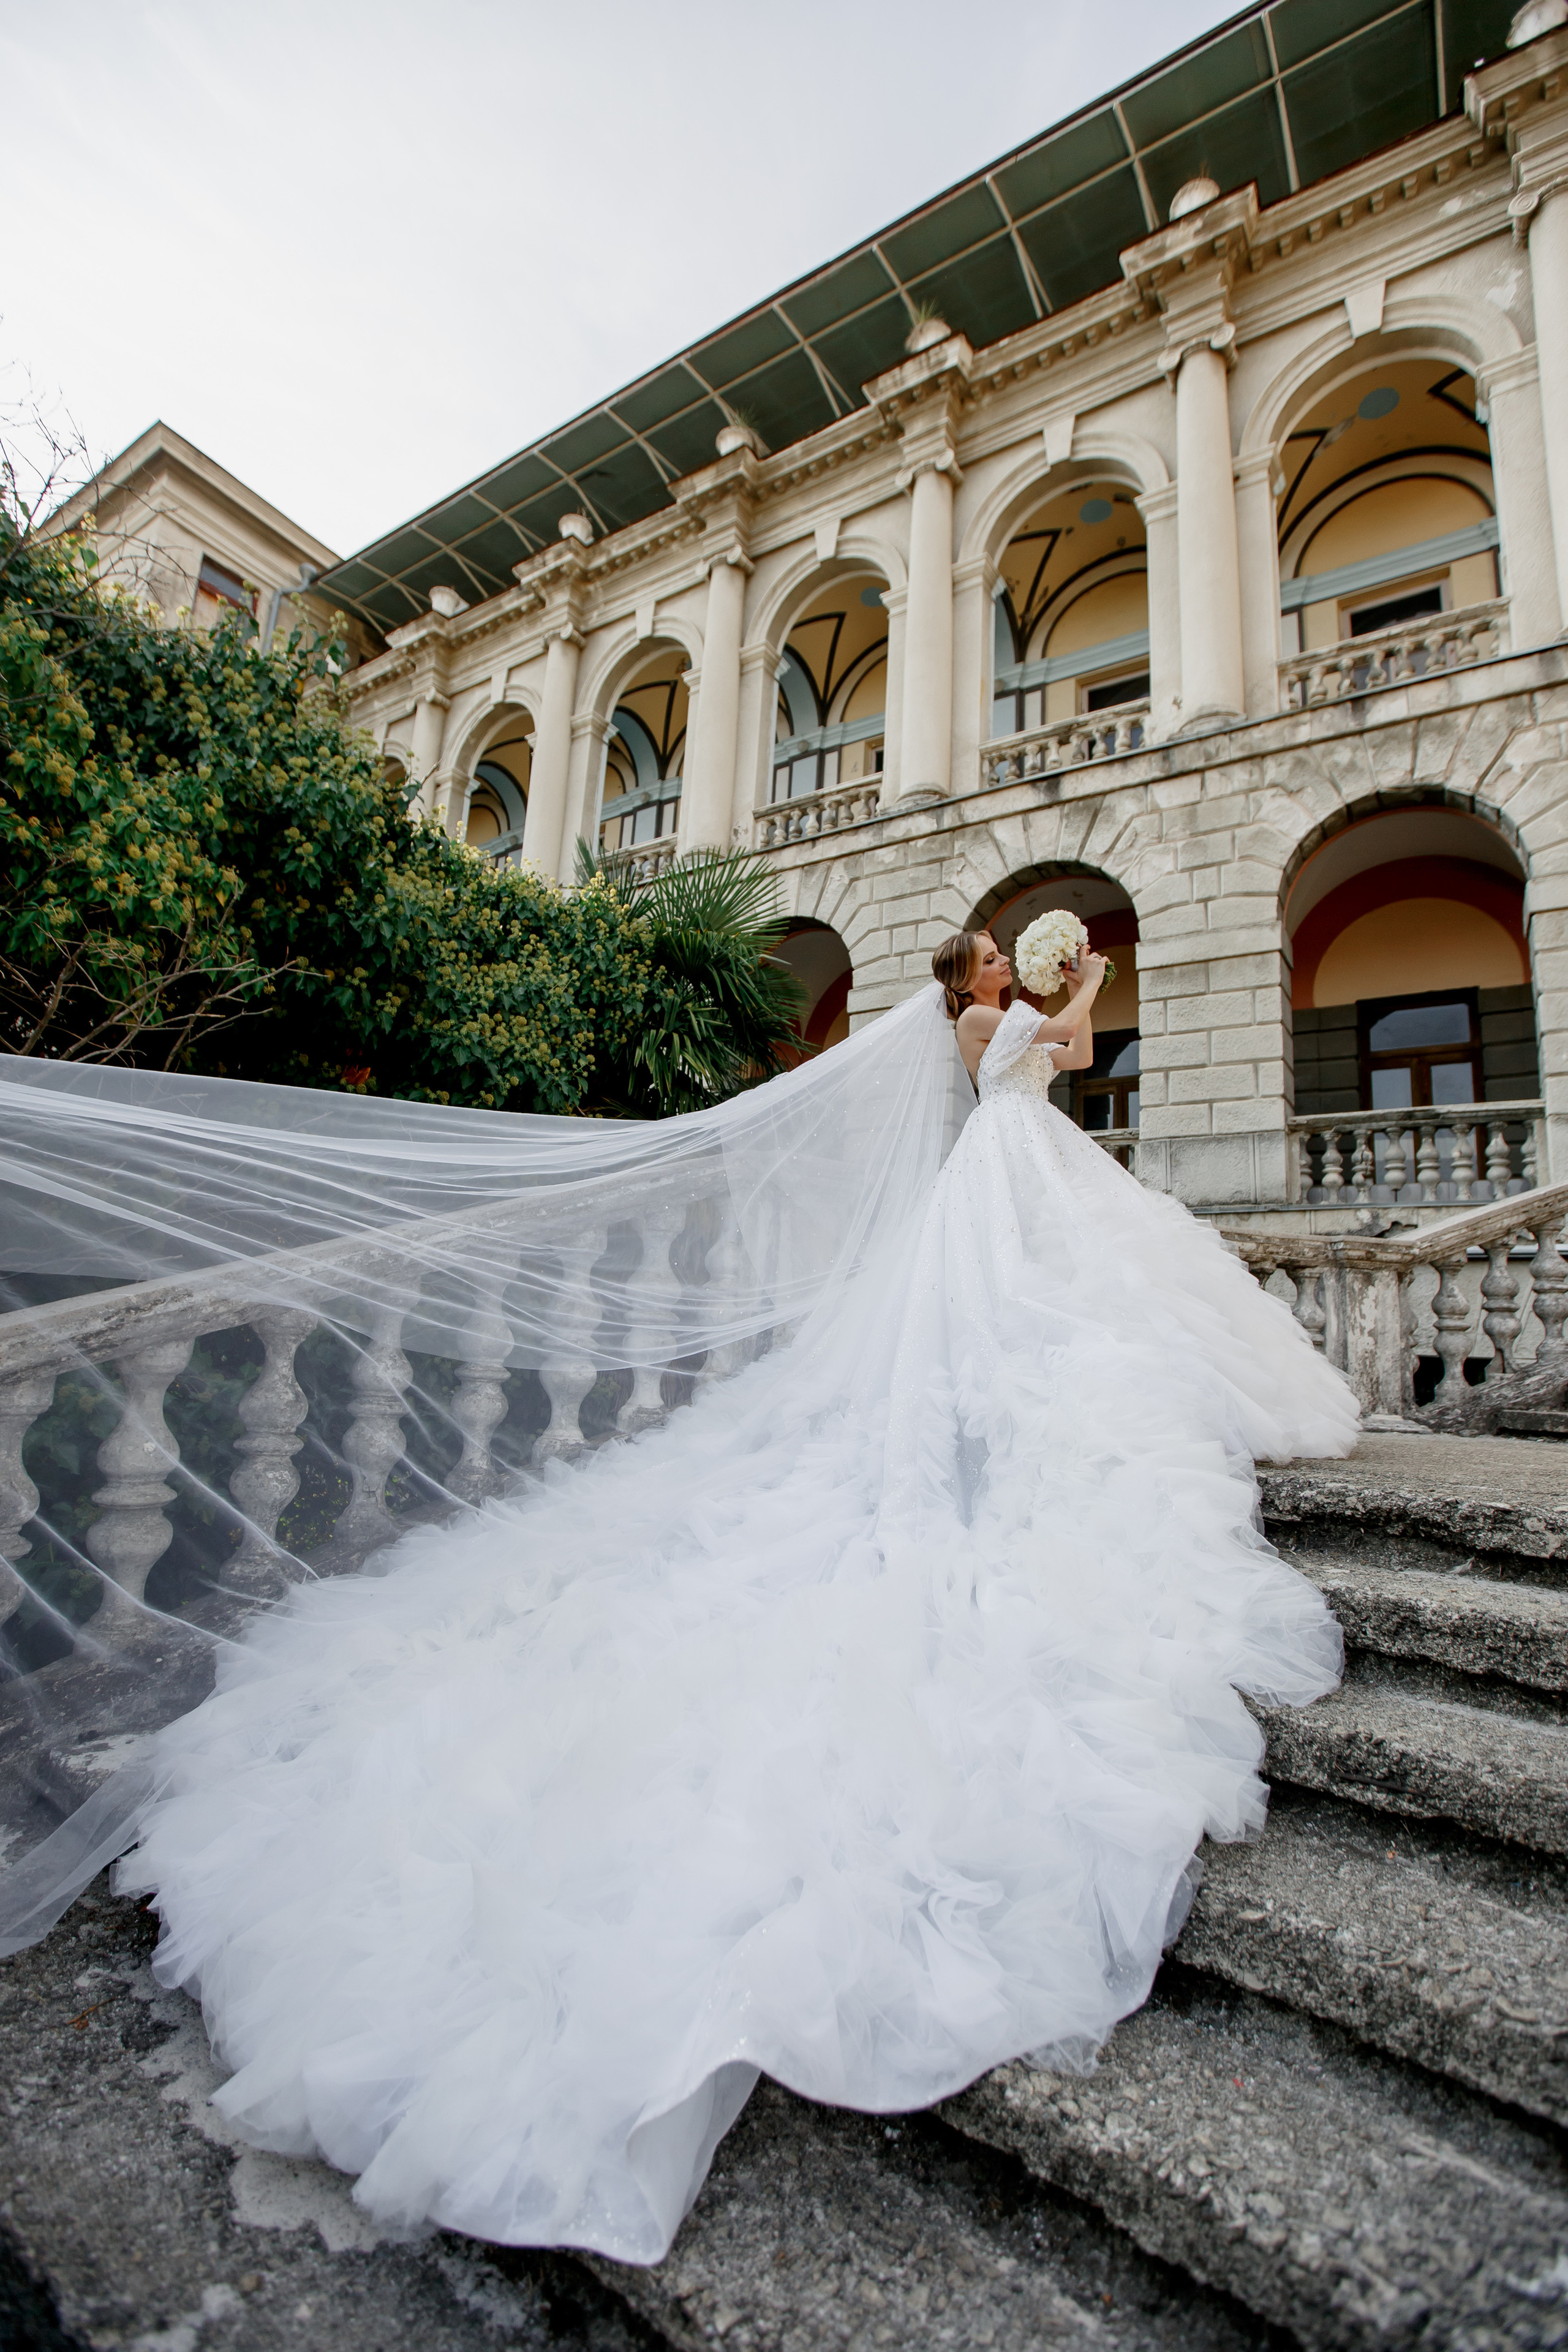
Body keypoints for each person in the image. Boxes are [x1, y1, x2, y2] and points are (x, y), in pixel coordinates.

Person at [0, 938, 1357, 2265]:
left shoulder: (995, 1022)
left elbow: (1056, 1051)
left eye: (1016, 954)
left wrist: (1072, 987)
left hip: (1017, 1191)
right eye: (998, 954)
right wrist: (1081, 991)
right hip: (1000, 1194)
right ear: (969, 979)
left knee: (1040, 1341)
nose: (1015, 962)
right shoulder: (972, 1028)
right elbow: (1057, 1051)